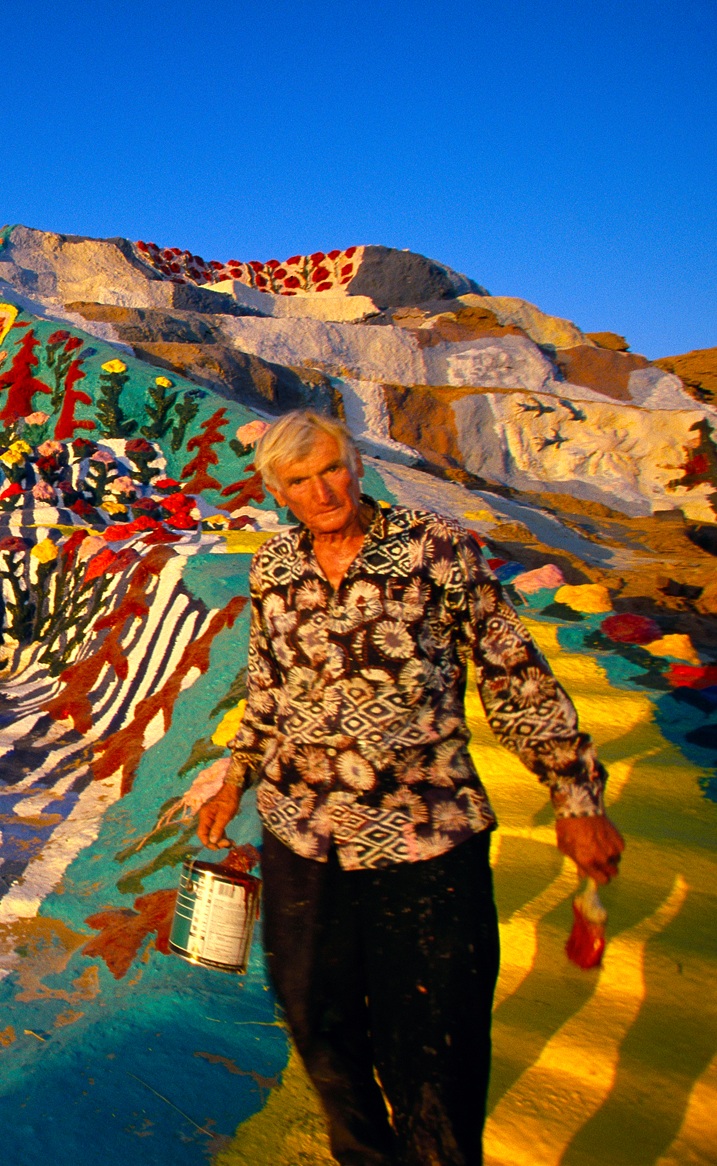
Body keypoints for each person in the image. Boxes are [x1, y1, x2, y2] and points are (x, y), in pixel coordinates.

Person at [196, 410, 624, 1166]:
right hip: (301, 829)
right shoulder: (276, 568)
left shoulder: (438, 549)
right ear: (278, 491)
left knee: (433, 1046)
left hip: (423, 831)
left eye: (332, 468)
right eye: (300, 480)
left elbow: (511, 670)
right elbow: (268, 686)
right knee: (315, 1020)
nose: (322, 490)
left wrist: (575, 795)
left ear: (356, 465)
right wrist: (235, 781)